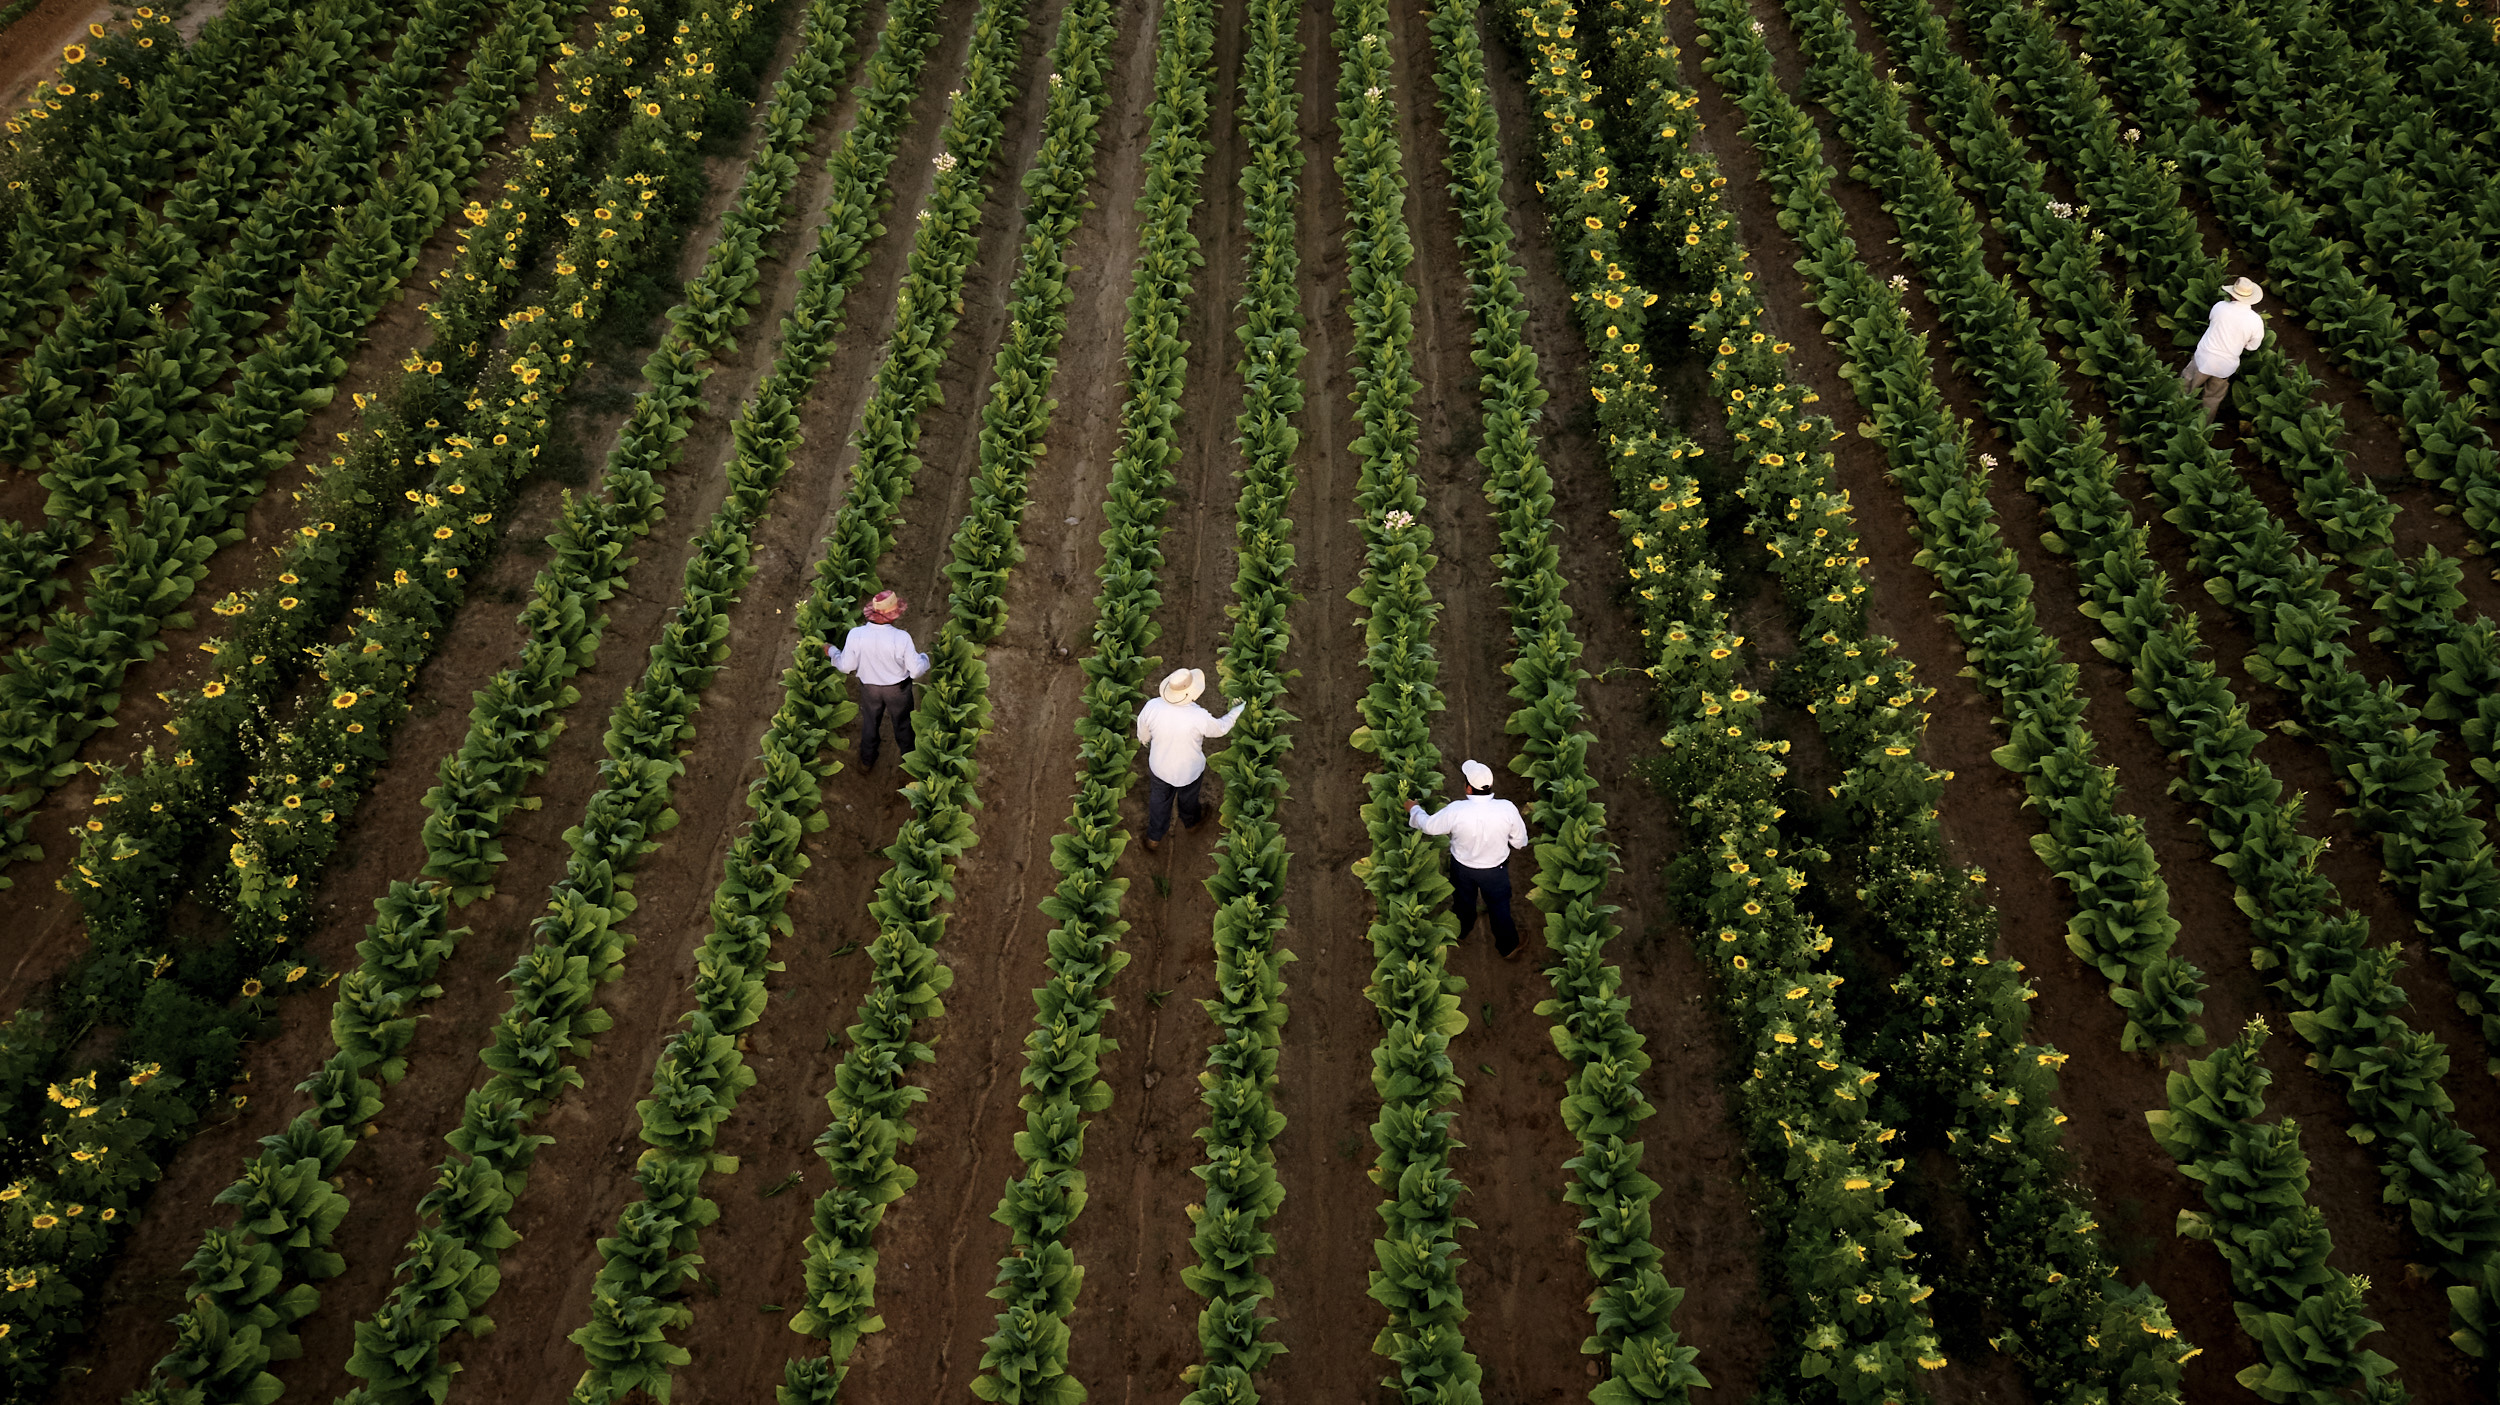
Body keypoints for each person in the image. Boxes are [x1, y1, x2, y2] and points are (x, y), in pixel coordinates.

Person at [1408, 759, 1531, 960]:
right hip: (1495, 871)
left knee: (1463, 903)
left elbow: (1429, 826)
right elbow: (1520, 842)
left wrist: (1414, 809)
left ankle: (1460, 933)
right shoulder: (1507, 809)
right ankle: (1508, 947)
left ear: (1468, 788)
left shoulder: (1457, 810)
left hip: (1462, 869)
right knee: (1499, 907)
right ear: (1490, 787)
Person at [1133, 667, 1243, 853]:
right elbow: (1221, 728)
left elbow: (1143, 735)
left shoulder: (1152, 706)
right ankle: (1191, 824)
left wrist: (1148, 742)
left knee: (1159, 801)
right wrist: (1236, 710)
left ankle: (1154, 837)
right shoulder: (1198, 716)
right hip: (1189, 772)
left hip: (1160, 769)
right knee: (1188, 799)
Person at [829, 589, 929, 774]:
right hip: (897, 691)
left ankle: (866, 761)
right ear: (893, 615)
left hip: (870, 689)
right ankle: (911, 766)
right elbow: (915, 671)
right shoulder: (901, 638)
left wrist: (832, 652)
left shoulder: (856, 634)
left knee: (870, 723)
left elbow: (845, 666)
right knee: (903, 725)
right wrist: (924, 659)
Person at [2180, 276, 2265, 422]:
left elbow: (2212, 320)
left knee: (2186, 386)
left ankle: (2178, 416)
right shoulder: (2256, 321)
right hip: (2225, 367)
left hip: (2204, 359)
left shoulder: (2220, 306)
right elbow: (2252, 347)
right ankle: (2202, 428)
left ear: (2232, 294)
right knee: (2212, 398)